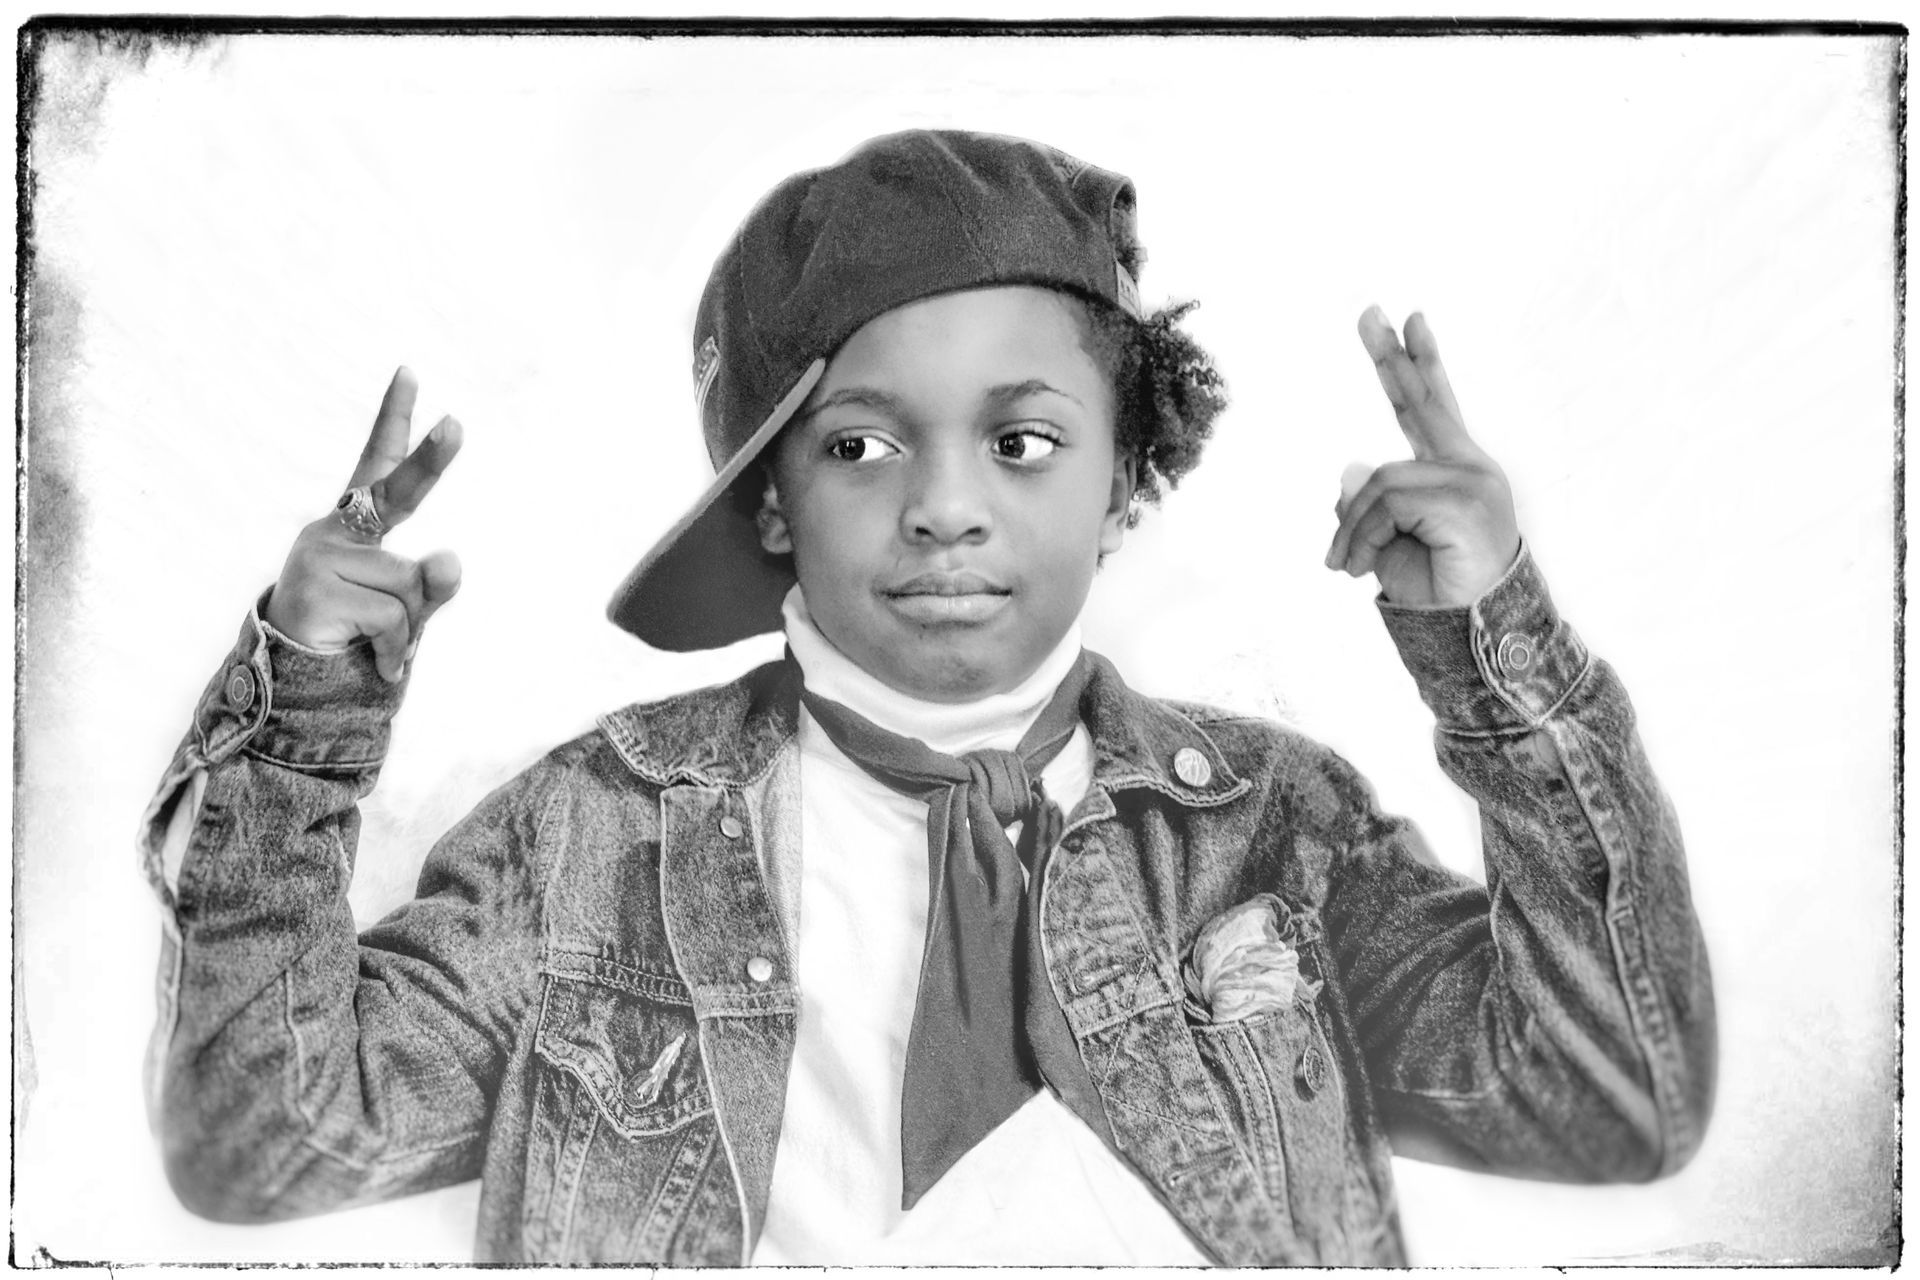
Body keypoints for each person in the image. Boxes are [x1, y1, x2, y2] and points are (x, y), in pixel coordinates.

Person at [139, 129, 1715, 1265]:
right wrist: (300, 731)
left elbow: (1611, 1100)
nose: (946, 510)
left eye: (1022, 443)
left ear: (1122, 488)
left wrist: (1498, 657)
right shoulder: (588, 841)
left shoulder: (1277, 837)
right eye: (860, 446)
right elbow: (261, 1147)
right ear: (771, 509)